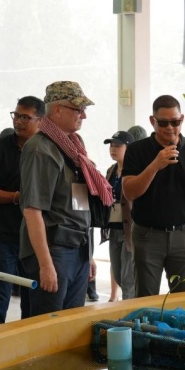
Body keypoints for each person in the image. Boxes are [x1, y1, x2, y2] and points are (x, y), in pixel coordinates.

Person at [19, 81, 113, 316]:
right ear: (57, 109)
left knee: (70, 324)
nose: (84, 116)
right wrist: (45, 264)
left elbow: (80, 206)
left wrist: (87, 255)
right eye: (77, 109)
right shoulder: (41, 148)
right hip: (54, 250)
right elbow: (32, 211)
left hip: (77, 249)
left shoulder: (74, 149)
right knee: (48, 326)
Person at [122, 94, 185, 297]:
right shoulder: (137, 150)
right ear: (152, 121)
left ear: (181, 120)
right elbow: (129, 192)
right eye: (163, 123)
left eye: (175, 122)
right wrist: (155, 165)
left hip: (183, 234)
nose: (169, 128)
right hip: (147, 235)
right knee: (146, 299)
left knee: (184, 300)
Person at [0, 96, 44, 327]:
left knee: (33, 303)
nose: (19, 121)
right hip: (1, 237)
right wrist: (16, 197)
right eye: (16, 115)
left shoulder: (46, 149)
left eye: (26, 117)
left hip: (35, 240)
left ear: (40, 121)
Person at [101, 130, 136, 301]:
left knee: (128, 277)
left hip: (130, 229)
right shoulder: (111, 171)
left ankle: (130, 316)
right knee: (118, 272)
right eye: (111, 146)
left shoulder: (135, 171)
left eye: (118, 146)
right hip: (113, 228)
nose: (113, 149)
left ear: (128, 148)